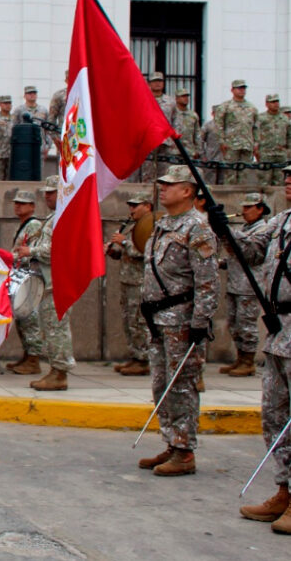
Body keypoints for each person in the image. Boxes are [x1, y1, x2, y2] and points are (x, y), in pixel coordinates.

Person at [220, 166, 291, 533]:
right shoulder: (279, 222)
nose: (289, 182)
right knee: (275, 417)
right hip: (279, 330)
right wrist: (223, 227)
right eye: (288, 177)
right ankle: (284, 489)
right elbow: (249, 250)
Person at [137, 165, 220, 476]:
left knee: (181, 385)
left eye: (171, 185)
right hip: (158, 319)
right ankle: (172, 440)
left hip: (182, 321)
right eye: (163, 184)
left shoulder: (197, 228)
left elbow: (208, 281)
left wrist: (200, 322)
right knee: (161, 384)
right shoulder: (163, 225)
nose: (163, 188)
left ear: (188, 191)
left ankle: (185, 450)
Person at [13, 176, 75, 391]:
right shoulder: (52, 218)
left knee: (57, 328)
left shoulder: (63, 217)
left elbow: (55, 250)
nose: (47, 195)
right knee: (50, 328)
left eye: (52, 191)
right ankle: (55, 370)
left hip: (58, 281)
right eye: (46, 192)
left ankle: (60, 373)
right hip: (48, 282)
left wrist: (31, 251)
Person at [218, 192, 269, 377]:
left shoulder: (263, 229)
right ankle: (240, 358)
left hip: (249, 286)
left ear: (260, 209)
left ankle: (248, 361)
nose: (244, 211)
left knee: (246, 325)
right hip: (235, 283)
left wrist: (227, 230)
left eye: (249, 207)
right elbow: (234, 253)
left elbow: (250, 253)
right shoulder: (246, 228)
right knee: (234, 323)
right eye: (244, 207)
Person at [109, 192, 154, 376]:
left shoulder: (151, 226)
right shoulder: (133, 227)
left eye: (136, 205)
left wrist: (125, 242)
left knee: (139, 321)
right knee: (129, 320)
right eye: (130, 206)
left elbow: (146, 252)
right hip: (127, 280)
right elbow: (127, 253)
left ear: (148, 206)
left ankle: (143, 359)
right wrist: (114, 251)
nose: (132, 209)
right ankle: (135, 355)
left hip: (140, 282)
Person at [6, 190, 44, 375]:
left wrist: (8, 257)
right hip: (21, 276)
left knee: (30, 318)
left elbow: (31, 251)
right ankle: (27, 355)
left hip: (30, 276)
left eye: (22, 203)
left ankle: (34, 359)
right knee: (22, 317)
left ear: (32, 206)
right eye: (16, 202)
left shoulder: (34, 225)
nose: (17, 205)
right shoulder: (22, 225)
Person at [137, 72, 179, 182]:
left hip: (166, 140)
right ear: (149, 84)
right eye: (154, 81)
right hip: (148, 139)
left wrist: (175, 139)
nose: (157, 84)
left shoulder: (170, 101)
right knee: (148, 170)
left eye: (160, 81)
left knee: (165, 170)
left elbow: (175, 120)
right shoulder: (143, 99)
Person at [218, 79, 259, 185]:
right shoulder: (225, 107)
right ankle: (230, 198)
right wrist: (222, 141)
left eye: (243, 88)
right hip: (231, 144)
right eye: (239, 88)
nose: (242, 91)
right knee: (230, 173)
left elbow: (255, 127)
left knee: (245, 172)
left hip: (247, 144)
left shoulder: (252, 107)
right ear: (232, 90)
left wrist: (256, 143)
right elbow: (219, 125)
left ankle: (242, 196)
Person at [257, 94, 291, 185]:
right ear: (267, 104)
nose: (276, 104)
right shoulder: (261, 118)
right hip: (265, 153)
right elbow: (255, 134)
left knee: (280, 181)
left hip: (280, 154)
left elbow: (289, 135)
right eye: (273, 102)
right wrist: (256, 150)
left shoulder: (284, 119)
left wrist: (288, 150)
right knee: (264, 181)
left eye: (277, 101)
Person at [172, 88, 202, 158]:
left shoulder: (193, 115)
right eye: (183, 96)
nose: (185, 98)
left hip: (189, 152)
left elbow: (197, 134)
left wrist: (198, 151)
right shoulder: (172, 113)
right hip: (174, 152)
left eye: (186, 96)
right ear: (176, 99)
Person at [48, 71, 69, 157]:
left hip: (82, 137)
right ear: (66, 80)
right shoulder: (59, 95)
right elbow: (51, 119)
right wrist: (55, 138)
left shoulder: (84, 94)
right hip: (63, 137)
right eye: (69, 78)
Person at [202, 105, 223, 185]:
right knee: (210, 181)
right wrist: (202, 154)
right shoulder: (208, 126)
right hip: (211, 157)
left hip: (223, 158)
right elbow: (200, 140)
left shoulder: (226, 126)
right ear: (213, 113)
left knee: (222, 182)